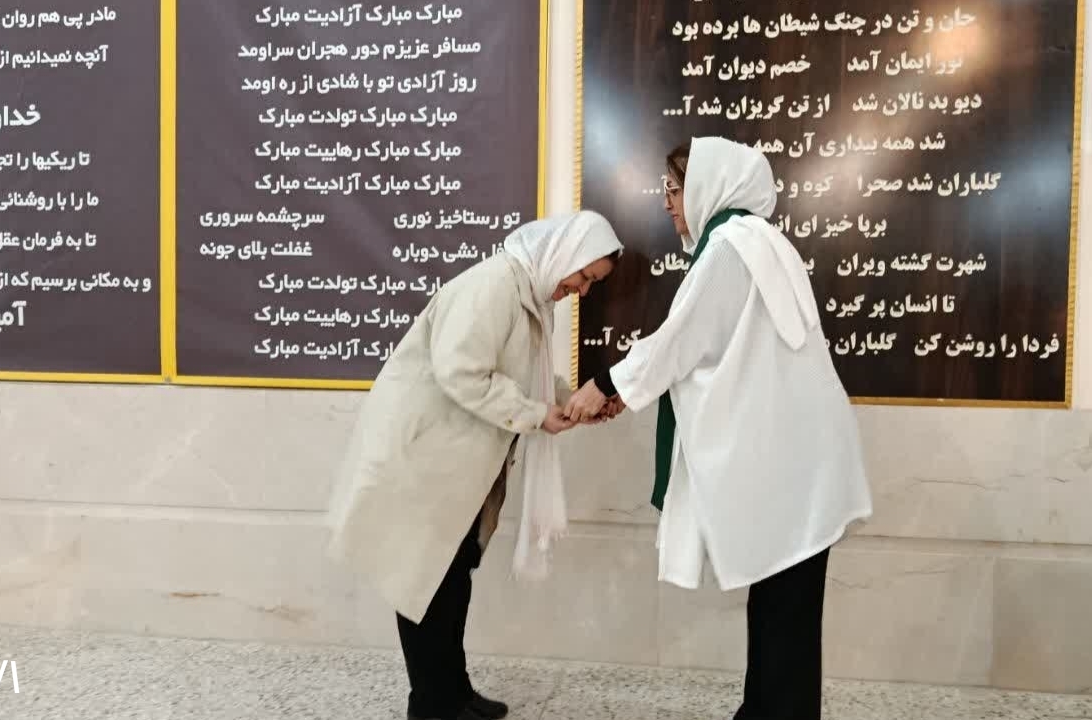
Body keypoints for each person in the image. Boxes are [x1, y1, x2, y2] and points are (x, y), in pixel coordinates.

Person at [564, 137, 874, 720]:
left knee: (784, 609)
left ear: (711, 185)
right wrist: (624, 388)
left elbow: (679, 342)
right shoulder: (762, 242)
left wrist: (604, 385)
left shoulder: (731, 247)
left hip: (791, 464)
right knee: (785, 605)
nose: (667, 203)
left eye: (675, 188)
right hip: (802, 460)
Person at [326, 210, 624, 720]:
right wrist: (538, 415)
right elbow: (460, 372)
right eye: (584, 276)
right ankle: (431, 705)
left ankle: (454, 692)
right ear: (564, 255)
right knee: (426, 583)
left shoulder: (529, 295)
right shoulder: (494, 286)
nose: (583, 290)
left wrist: (575, 401)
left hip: (457, 467)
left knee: (453, 576)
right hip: (424, 459)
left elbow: (525, 377)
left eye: (592, 282)